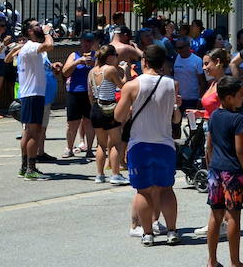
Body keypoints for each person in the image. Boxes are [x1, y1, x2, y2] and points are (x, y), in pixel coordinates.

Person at [115, 44, 181, 246]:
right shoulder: (172, 84)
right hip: (165, 144)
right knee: (166, 188)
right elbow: (176, 119)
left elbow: (118, 116)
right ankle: (171, 231)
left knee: (143, 190)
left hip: (140, 144)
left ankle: (147, 233)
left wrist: (132, 110)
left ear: (144, 62)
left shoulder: (132, 86)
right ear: (163, 63)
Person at [203, 76, 243, 267]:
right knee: (233, 216)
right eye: (240, 93)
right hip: (232, 171)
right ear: (229, 97)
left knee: (215, 215)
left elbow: (209, 144)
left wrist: (210, 165)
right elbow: (241, 150)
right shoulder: (238, 118)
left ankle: (212, 261)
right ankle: (235, 263)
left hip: (215, 170)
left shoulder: (215, 115)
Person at [15, 24, 55, 180]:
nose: (39, 26)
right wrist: (47, 33)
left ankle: (25, 167)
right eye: (35, 26)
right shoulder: (31, 46)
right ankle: (31, 169)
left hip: (30, 94)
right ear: (29, 32)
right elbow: (50, 45)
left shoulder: (29, 48)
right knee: (34, 132)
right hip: (33, 94)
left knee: (27, 132)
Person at [88, 43, 128, 185]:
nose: (117, 58)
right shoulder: (110, 70)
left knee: (101, 144)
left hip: (96, 109)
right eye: (115, 56)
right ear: (110, 57)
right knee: (116, 143)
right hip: (109, 107)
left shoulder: (92, 71)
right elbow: (123, 86)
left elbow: (90, 94)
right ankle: (115, 174)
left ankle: (99, 175)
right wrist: (125, 70)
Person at [60, 32, 97, 160]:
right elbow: (65, 72)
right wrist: (77, 62)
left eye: (89, 42)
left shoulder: (96, 56)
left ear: (93, 44)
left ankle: (89, 149)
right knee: (72, 123)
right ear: (81, 42)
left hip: (90, 93)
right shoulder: (74, 55)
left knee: (89, 122)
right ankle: (69, 148)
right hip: (74, 92)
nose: (86, 44)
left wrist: (94, 64)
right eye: (84, 41)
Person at [172, 35, 205, 112]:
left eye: (181, 48)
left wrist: (200, 99)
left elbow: (202, 82)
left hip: (193, 99)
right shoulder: (175, 58)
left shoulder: (197, 60)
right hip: (178, 99)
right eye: (177, 48)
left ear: (188, 46)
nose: (178, 50)